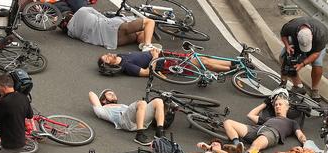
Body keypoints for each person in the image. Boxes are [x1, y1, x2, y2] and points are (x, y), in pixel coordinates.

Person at [222, 92, 307, 153]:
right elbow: (250, 115)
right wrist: (265, 103)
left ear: (287, 107)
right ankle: (237, 145)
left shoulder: (291, 122)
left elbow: (299, 135)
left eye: (280, 104)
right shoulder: (269, 118)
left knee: (257, 143)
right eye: (276, 105)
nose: (277, 106)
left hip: (272, 133)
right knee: (228, 122)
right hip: (257, 129)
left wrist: (305, 143)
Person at [59, 7, 159, 51]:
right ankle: (148, 46)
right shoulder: (82, 11)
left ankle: (147, 48)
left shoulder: (71, 33)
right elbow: (101, 15)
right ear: (71, 14)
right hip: (112, 27)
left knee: (139, 34)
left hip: (112, 42)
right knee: (149, 22)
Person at [89, 89, 165, 145]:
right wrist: (100, 101)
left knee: (158, 101)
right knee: (142, 103)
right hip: (125, 122)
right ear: (103, 100)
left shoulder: (122, 105)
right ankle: (139, 135)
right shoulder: (102, 110)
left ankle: (159, 133)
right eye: (109, 94)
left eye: (113, 93)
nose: (113, 94)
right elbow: (91, 94)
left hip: (139, 122)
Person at [279, 16, 328, 100]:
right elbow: (283, 35)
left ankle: (315, 89)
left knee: (317, 64)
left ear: (312, 36)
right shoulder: (291, 26)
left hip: (316, 48)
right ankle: (298, 86)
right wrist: (287, 46)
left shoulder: (321, 34)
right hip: (296, 44)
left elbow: (316, 54)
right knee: (284, 58)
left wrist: (302, 64)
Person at [98, 49, 236, 77]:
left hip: (164, 55)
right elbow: (147, 72)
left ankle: (233, 63)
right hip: (165, 64)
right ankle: (232, 68)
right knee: (203, 63)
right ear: (110, 65)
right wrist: (155, 56)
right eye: (107, 58)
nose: (109, 54)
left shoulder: (121, 55)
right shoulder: (127, 67)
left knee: (202, 58)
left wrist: (151, 50)